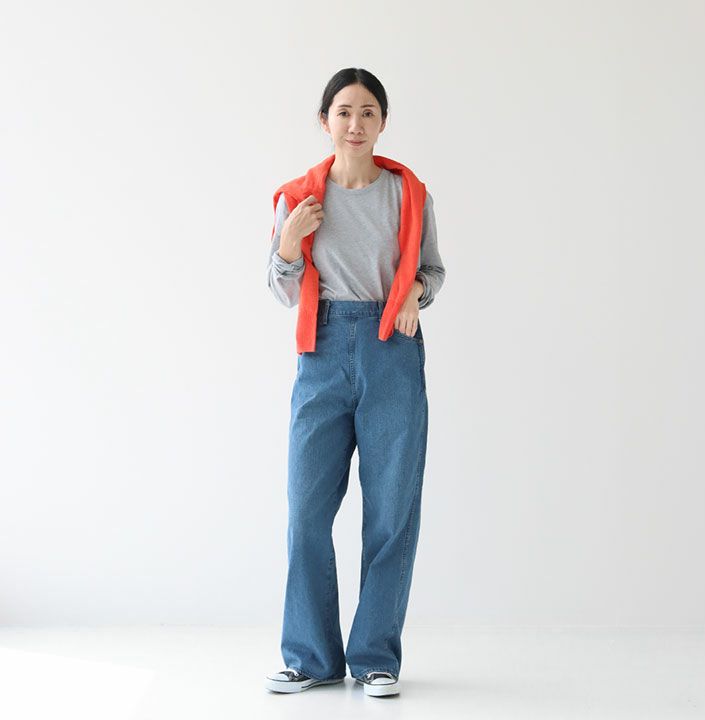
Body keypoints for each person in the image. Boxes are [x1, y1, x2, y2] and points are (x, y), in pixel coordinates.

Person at [264, 68, 446, 698]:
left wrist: (414, 292)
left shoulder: (408, 193)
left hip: (392, 347)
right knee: (306, 510)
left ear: (383, 121)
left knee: (391, 510)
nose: (356, 123)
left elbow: (432, 270)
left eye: (368, 112)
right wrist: (290, 243)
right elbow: (281, 289)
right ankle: (311, 657)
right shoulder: (298, 198)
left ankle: (375, 658)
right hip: (322, 350)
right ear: (325, 121)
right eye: (344, 111)